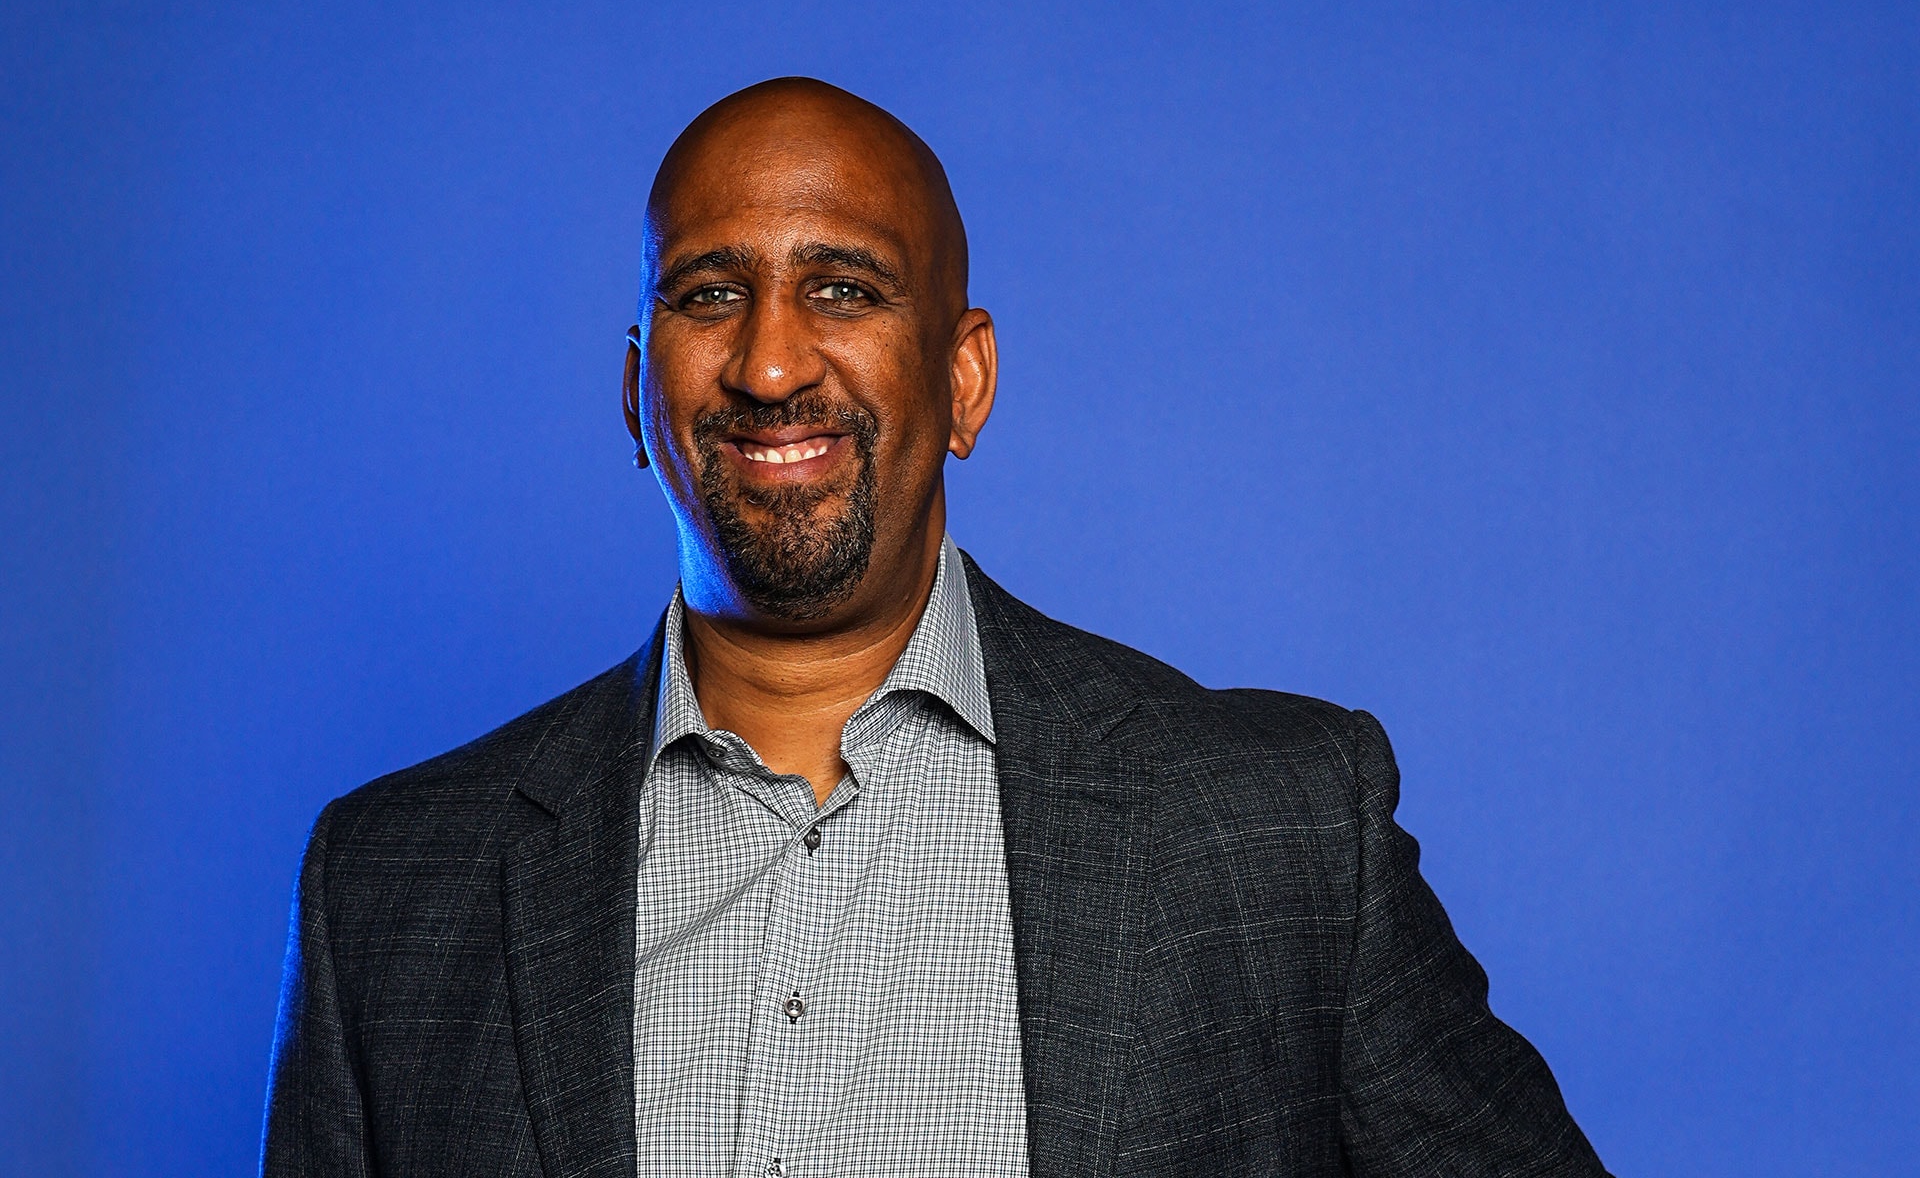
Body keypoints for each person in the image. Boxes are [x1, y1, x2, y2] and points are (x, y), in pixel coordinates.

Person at [262, 77, 1610, 1177]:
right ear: (636, 392)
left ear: (964, 381)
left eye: (843, 289)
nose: (770, 363)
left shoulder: (1276, 834)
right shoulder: (391, 893)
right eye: (709, 292)